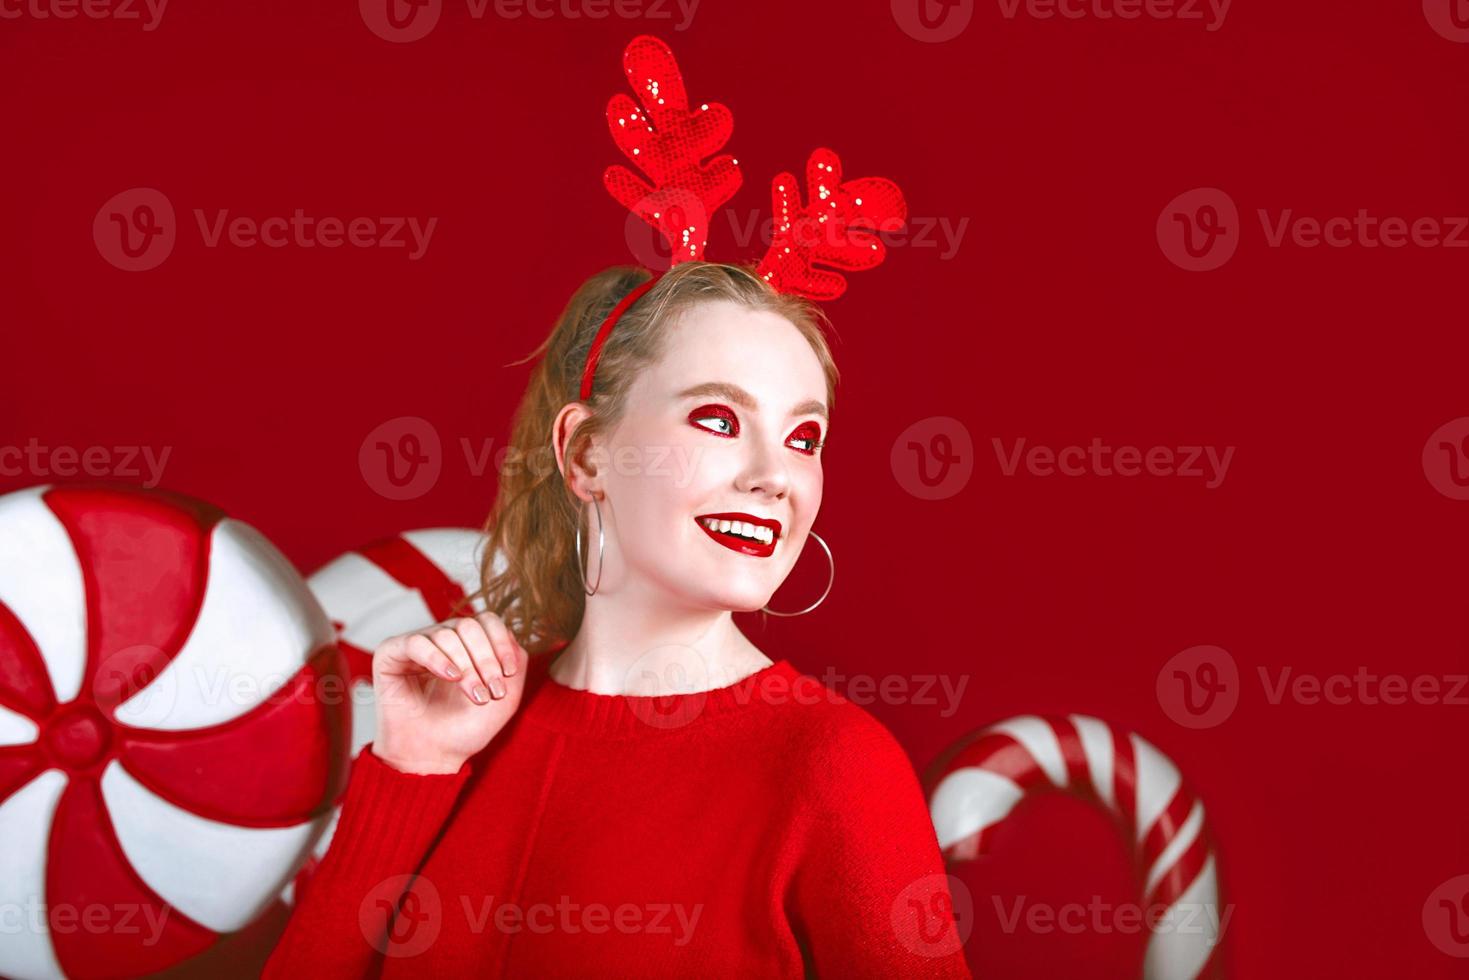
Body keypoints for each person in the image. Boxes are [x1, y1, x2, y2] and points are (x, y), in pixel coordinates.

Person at [262, 261, 973, 978]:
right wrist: (412, 767)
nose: (774, 475)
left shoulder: (833, 764)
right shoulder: (466, 730)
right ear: (586, 453)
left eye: (804, 438)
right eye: (718, 420)